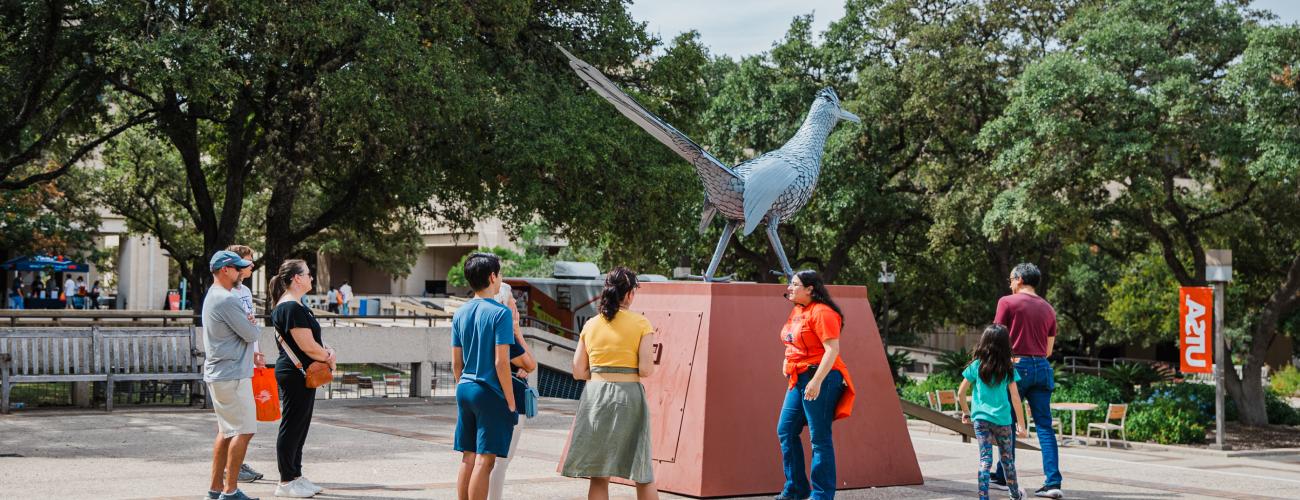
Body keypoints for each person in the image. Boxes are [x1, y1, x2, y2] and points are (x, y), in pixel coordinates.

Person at [561, 267, 658, 500]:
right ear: (629, 294)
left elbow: (577, 370)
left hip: (596, 396)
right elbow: (645, 369)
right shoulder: (642, 324)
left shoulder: (591, 325)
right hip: (629, 396)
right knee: (641, 470)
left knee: (598, 472)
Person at [776, 270, 856, 500]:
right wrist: (787, 359)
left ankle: (821, 495)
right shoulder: (798, 311)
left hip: (822, 378)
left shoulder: (823, 313)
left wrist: (817, 381)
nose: (789, 288)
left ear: (810, 289)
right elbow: (792, 341)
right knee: (786, 429)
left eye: (794, 284)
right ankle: (796, 488)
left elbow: (832, 350)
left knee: (819, 437)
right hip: (798, 377)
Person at [989, 263, 1062, 499]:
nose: (1009, 284)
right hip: (1042, 366)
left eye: (1011, 279)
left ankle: (1003, 476)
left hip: (1015, 366)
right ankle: (1052, 483)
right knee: (1044, 426)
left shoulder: (1007, 302)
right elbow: (1048, 350)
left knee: (1007, 422)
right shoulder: (1049, 309)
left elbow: (997, 338)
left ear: (1019, 279)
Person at [452, 253, 517, 500]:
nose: (500, 279)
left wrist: (462, 385)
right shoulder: (501, 313)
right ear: (492, 277)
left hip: (465, 388)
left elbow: (456, 363)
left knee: (468, 456)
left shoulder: (460, 313)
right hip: (489, 391)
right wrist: (510, 400)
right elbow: (502, 362)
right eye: (499, 274)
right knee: (485, 460)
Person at [269, 259, 334, 498]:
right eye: (307, 274)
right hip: (295, 373)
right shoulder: (290, 307)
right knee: (292, 426)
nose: (311, 278)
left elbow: (313, 341)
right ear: (297, 278)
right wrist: (328, 356)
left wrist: (327, 351)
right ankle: (286, 481)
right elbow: (307, 345)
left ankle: (295, 475)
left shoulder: (298, 306)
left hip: (303, 374)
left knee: (301, 426)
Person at [201, 250, 262, 500]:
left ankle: (215, 489)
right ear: (225, 270)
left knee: (226, 431)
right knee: (244, 430)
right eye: (237, 268)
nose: (241, 272)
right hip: (232, 373)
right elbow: (251, 333)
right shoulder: (227, 299)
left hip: (221, 373)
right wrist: (251, 323)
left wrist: (249, 323)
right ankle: (230, 490)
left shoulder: (213, 295)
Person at [959, 324, 1029, 500]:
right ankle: (1015, 495)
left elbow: (961, 393)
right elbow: (1015, 397)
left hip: (981, 419)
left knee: (985, 460)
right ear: (1006, 344)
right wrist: (1021, 425)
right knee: (1007, 460)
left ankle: (984, 497)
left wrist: (967, 413)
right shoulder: (1008, 368)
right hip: (1003, 420)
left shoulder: (976, 365)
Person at [487, 282, 537, 500]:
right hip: (511, 401)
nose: (516, 303)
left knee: (489, 460)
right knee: (500, 462)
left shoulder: (490, 329)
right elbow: (531, 363)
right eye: (512, 301)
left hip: (490, 397)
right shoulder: (506, 335)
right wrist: (517, 331)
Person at [225, 245, 266, 483]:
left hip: (247, 358)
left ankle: (236, 463)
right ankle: (232, 466)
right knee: (236, 418)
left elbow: (252, 325)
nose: (251, 266)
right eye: (248, 262)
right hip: (233, 362)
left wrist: (257, 352)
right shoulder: (226, 293)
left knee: (243, 418)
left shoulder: (246, 292)